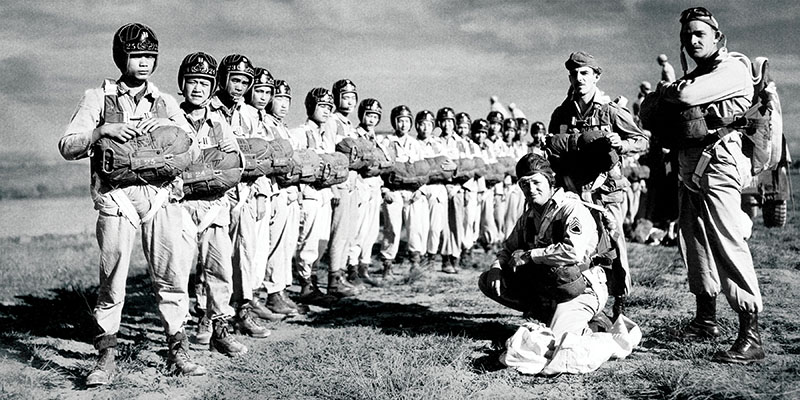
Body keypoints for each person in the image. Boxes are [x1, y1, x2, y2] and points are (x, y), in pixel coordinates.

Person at [58, 24, 207, 385]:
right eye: (136, 55)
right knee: (113, 279)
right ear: (121, 56)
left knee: (173, 277)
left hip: (160, 198)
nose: (143, 63)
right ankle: (106, 354)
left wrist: (170, 130)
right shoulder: (98, 97)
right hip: (116, 197)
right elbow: (67, 145)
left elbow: (194, 150)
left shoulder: (166, 101)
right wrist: (100, 132)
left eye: (149, 56)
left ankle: (178, 347)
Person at [652, 6, 764, 364]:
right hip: (690, 163)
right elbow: (648, 110)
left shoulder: (732, 66)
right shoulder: (697, 74)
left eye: (701, 33)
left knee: (728, 241)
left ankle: (751, 332)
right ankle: (706, 319)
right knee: (693, 241)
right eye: (688, 35)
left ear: (718, 37)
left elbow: (681, 98)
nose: (693, 39)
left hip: (719, 162)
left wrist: (668, 90)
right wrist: (668, 93)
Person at [548, 51, 649, 320]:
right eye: (574, 74)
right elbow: (552, 150)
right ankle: (584, 302)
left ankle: (619, 301)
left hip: (606, 192)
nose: (579, 78)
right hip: (573, 190)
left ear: (596, 76)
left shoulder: (610, 111)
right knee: (577, 246)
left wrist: (622, 143)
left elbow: (642, 140)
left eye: (585, 73)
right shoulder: (561, 112)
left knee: (613, 245)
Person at [478, 154, 608, 338]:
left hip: (581, 287)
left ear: (550, 181)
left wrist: (530, 255)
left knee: (556, 339)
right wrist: (496, 267)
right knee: (488, 280)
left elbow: (573, 252)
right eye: (524, 184)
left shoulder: (570, 208)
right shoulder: (529, 217)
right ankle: (542, 310)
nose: (531, 189)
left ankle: (598, 323)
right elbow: (508, 249)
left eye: (536, 182)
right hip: (550, 286)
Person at [235, 67, 286, 322]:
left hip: (266, 187)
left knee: (259, 247)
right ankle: (246, 300)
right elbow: (251, 156)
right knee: (249, 247)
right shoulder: (243, 114)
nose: (264, 96)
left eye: (268, 92)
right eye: (260, 90)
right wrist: (258, 193)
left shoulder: (262, 117)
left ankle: (253, 295)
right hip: (250, 188)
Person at [291, 88, 340, 304]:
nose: (326, 111)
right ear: (311, 107)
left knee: (321, 241)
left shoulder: (326, 137)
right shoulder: (299, 134)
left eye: (329, 107)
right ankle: (305, 285)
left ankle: (314, 282)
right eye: (322, 106)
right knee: (308, 241)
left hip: (324, 194)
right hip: (308, 193)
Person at [260, 80, 303, 316]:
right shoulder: (265, 124)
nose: (284, 104)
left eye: (287, 100)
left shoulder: (283, 127)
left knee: (285, 244)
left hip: (288, 189)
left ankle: (279, 290)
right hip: (272, 188)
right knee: (270, 244)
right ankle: (270, 293)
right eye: (279, 98)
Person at [321, 79, 360, 297]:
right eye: (345, 96)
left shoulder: (348, 124)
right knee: (337, 234)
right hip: (340, 184)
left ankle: (341, 275)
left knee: (348, 233)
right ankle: (333, 280)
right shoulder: (332, 121)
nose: (350, 101)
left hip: (352, 184)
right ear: (336, 98)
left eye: (353, 97)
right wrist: (332, 187)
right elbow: (328, 155)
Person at [379, 105, 428, 278]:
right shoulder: (387, 142)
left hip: (413, 193)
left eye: (407, 121)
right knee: (392, 229)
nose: (404, 124)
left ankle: (415, 263)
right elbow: (380, 169)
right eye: (400, 120)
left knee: (415, 228)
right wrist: (384, 190)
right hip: (394, 192)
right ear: (394, 122)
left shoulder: (415, 144)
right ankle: (387, 265)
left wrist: (422, 190)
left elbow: (423, 170)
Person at [349, 98, 386, 285]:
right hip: (361, 184)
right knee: (359, 229)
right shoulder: (356, 134)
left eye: (375, 116)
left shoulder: (376, 137)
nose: (371, 120)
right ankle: (352, 268)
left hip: (375, 185)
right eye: (368, 115)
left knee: (372, 231)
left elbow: (385, 161)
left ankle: (365, 266)